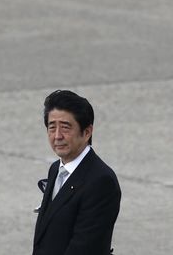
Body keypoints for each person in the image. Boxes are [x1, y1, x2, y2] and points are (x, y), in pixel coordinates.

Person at [33, 90, 121, 255]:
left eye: (65, 128)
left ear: (87, 132)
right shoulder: (55, 169)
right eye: (52, 128)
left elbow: (86, 247)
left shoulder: (101, 181)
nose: (57, 136)